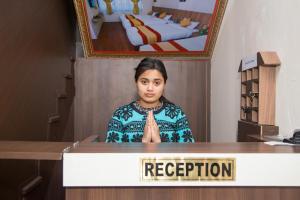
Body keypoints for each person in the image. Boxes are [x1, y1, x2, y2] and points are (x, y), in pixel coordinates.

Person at [105, 57, 195, 143]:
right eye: (144, 82)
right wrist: (144, 142)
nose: (150, 88)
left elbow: (188, 154)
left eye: (157, 83)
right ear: (136, 82)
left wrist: (157, 142)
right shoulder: (119, 115)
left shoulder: (177, 114)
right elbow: (111, 156)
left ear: (164, 84)